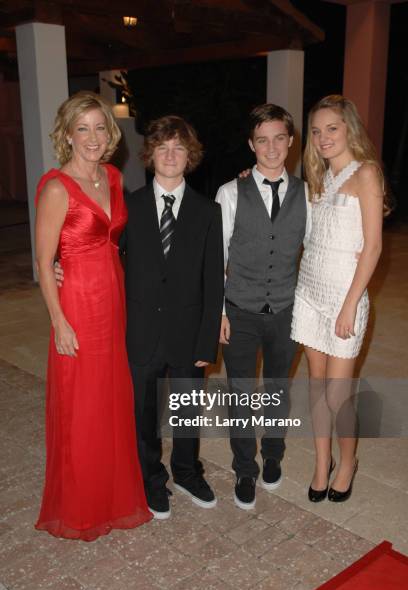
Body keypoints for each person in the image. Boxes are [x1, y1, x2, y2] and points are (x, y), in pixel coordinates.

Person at [35, 91, 152, 540]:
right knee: (82, 405)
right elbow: (45, 262)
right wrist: (59, 321)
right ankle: (82, 506)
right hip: (78, 306)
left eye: (100, 127)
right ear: (67, 134)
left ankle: (115, 494)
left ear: (111, 133)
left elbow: (114, 237)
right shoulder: (55, 187)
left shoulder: (113, 176)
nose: (93, 136)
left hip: (113, 296)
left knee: (110, 399)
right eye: (82, 128)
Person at [123, 116, 224, 518]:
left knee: (186, 409)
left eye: (178, 148)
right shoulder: (128, 207)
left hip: (187, 333)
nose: (169, 155)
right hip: (141, 333)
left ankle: (186, 470)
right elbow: (104, 258)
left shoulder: (207, 211)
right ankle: (150, 478)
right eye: (162, 147)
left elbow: (213, 280)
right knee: (143, 413)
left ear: (190, 156)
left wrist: (206, 342)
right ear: (150, 154)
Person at [291, 94, 384, 502]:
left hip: (344, 298)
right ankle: (320, 462)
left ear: (349, 129)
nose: (324, 137)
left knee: (337, 393)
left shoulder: (366, 174)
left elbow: (374, 248)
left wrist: (350, 304)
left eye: (332, 128)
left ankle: (348, 463)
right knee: (316, 388)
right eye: (316, 131)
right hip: (309, 292)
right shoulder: (317, 179)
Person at [217, 104, 309, 510]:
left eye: (278, 138)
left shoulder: (310, 194)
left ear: (290, 142)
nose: (271, 147)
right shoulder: (230, 191)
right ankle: (244, 467)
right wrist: (218, 311)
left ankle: (273, 452)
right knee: (240, 392)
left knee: (277, 387)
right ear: (251, 145)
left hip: (288, 309)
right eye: (262, 140)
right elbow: (216, 258)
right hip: (239, 308)